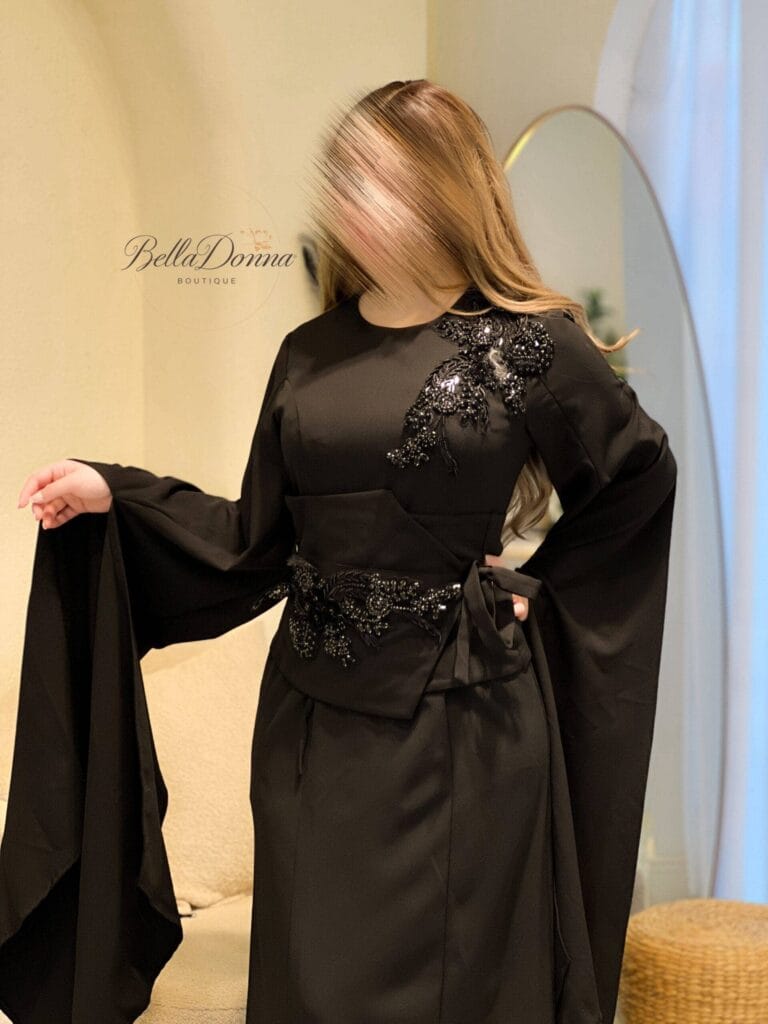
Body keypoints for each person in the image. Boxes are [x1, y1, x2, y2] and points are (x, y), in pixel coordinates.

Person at [1, 80, 677, 1024]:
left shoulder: (528, 345)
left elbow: (638, 477)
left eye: (380, 179)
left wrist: (543, 587)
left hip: (464, 738)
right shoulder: (307, 353)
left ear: (446, 188)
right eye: (344, 178)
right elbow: (254, 543)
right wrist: (120, 495)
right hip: (309, 738)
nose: (352, 200)